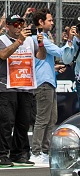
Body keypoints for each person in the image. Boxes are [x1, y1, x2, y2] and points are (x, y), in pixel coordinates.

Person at [0, 14, 46, 167]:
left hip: (26, 86)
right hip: (7, 87)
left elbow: (41, 56)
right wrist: (19, 41)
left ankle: (19, 153)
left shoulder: (30, 41)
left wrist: (40, 44)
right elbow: (3, 54)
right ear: (8, 26)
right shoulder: (2, 39)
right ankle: (2, 154)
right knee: (6, 123)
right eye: (15, 24)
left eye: (21, 24)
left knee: (23, 123)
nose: (18, 27)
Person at [29, 10, 65, 165]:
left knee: (52, 119)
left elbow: (41, 61)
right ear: (41, 22)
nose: (52, 22)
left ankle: (44, 150)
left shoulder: (42, 38)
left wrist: (54, 68)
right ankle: (35, 151)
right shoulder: (38, 38)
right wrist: (71, 43)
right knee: (43, 119)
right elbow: (58, 52)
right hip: (43, 83)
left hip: (49, 81)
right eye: (49, 20)